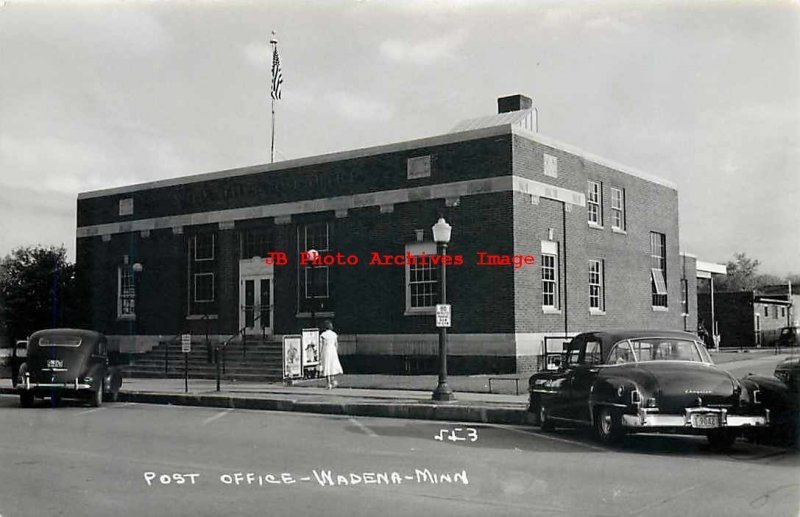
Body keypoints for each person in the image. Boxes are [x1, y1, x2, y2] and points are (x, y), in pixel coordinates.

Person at [319, 320, 343, 389]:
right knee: (332, 366)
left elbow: (321, 345)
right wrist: (335, 351)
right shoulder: (334, 334)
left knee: (326, 366)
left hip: (326, 350)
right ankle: (333, 381)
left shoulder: (323, 335)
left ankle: (328, 383)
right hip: (333, 350)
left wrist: (320, 353)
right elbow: (336, 344)